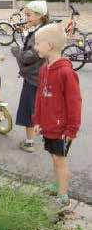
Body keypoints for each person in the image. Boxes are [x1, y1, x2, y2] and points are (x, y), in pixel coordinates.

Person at [33, 23, 81, 210]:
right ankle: (57, 186)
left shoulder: (66, 72)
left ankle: (63, 196)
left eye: (38, 43)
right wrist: (37, 120)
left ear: (50, 46)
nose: (35, 47)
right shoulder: (44, 69)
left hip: (61, 129)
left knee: (59, 161)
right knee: (54, 158)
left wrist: (72, 129)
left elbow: (75, 103)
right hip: (49, 126)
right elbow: (40, 96)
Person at [11, 0, 49, 153]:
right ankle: (45, 134)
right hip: (44, 75)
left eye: (29, 14)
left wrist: (17, 51)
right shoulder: (45, 29)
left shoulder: (40, 33)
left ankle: (29, 142)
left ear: (40, 15)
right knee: (43, 107)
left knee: (29, 109)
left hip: (34, 77)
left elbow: (29, 56)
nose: (26, 17)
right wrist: (26, 34)